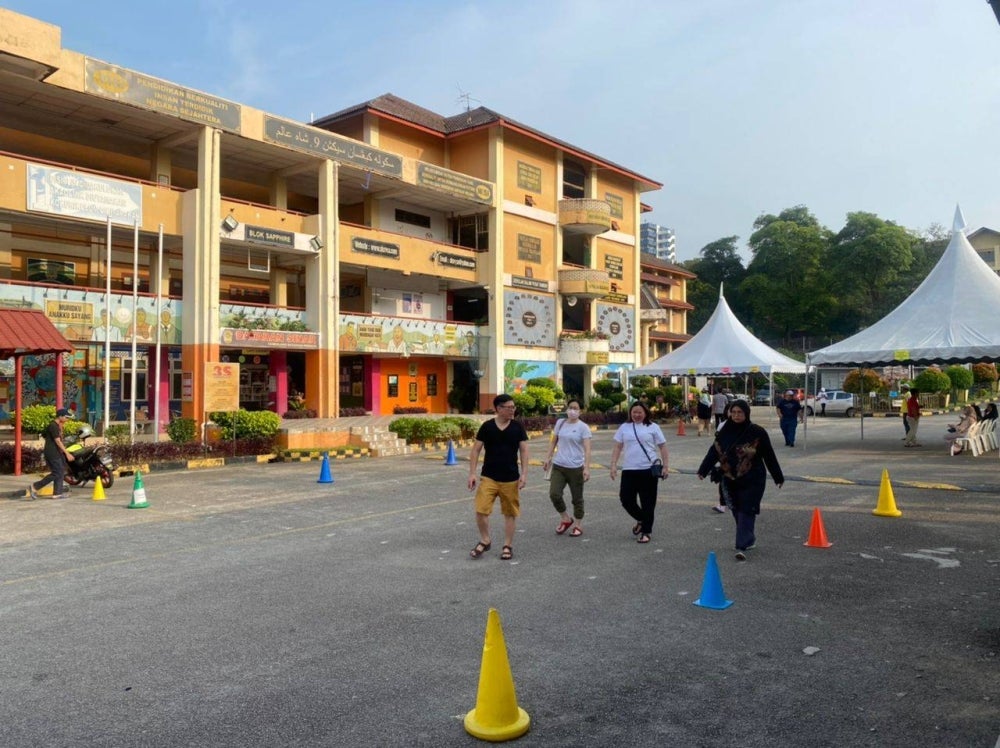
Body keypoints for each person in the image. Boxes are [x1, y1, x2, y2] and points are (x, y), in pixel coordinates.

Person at [697, 400, 784, 561]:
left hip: (753, 478)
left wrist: (778, 477)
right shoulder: (724, 431)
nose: (736, 416)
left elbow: (769, 455)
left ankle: (741, 545)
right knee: (736, 509)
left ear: (746, 413)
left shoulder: (757, 432)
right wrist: (703, 469)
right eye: (734, 412)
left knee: (746, 509)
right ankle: (748, 538)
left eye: (740, 412)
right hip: (730, 478)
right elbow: (714, 452)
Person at [468, 393, 529, 561]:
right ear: (498, 409)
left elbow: (524, 451)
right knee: (481, 510)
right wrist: (472, 473)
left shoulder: (517, 427)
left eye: (513, 407)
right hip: (489, 476)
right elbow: (475, 450)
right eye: (509, 407)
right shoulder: (487, 427)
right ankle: (485, 540)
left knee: (510, 513)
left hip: (510, 478)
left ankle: (507, 545)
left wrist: (524, 474)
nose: (512, 410)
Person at [609, 401, 669, 545]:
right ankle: (642, 520)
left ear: (645, 413)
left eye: (640, 412)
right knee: (626, 499)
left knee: (648, 502)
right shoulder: (624, 427)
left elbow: (663, 447)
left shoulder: (653, 427)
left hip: (648, 470)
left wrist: (666, 466)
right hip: (629, 469)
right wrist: (613, 465)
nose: (636, 415)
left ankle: (646, 531)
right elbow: (618, 447)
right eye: (634, 412)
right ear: (630, 413)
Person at [542, 399, 591, 537]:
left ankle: (578, 524)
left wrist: (587, 468)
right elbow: (553, 442)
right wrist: (548, 457)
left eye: (575, 408)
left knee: (577, 498)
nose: (572, 410)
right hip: (559, 466)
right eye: (570, 407)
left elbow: (587, 449)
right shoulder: (560, 423)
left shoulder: (583, 427)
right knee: (554, 494)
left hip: (576, 468)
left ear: (580, 411)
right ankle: (565, 518)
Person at [28, 407, 76, 500]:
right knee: (56, 473)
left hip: (57, 452)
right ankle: (35, 486)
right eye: (66, 417)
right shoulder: (53, 426)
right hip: (52, 453)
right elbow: (57, 441)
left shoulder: (58, 426)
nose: (67, 419)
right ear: (60, 416)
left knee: (60, 472)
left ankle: (57, 493)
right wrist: (67, 453)